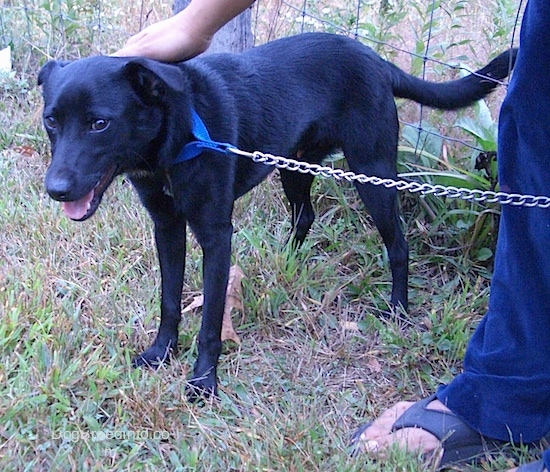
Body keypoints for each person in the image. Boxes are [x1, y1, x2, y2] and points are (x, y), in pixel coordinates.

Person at [116, 1, 550, 470]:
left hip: (350, 85)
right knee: (294, 180)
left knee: (377, 193)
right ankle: (300, 232)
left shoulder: (345, 74)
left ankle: (398, 287)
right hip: (304, 103)